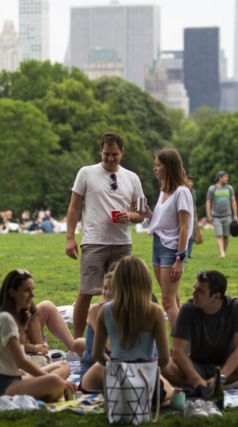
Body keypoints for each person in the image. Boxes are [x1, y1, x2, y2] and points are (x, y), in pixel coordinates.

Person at [65, 132, 145, 340]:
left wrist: (130, 215)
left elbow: (143, 214)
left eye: (115, 154)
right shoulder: (86, 173)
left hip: (122, 244)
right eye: (106, 154)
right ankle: (77, 343)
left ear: (122, 152)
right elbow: (74, 207)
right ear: (100, 151)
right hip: (93, 242)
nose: (110, 159)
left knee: (121, 294)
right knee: (86, 293)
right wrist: (70, 237)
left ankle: (115, 339)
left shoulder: (132, 178)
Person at [162, 270, 238, 393]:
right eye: (195, 288)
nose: (193, 293)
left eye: (200, 291)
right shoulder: (188, 309)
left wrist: (221, 377)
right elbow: (178, 351)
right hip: (194, 366)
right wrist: (195, 378)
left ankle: (212, 385)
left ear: (216, 297)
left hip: (228, 367)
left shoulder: (236, 308)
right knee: (162, 364)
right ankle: (211, 385)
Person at [81, 257, 173, 404]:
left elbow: (97, 355)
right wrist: (149, 370)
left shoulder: (105, 310)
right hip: (146, 380)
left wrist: (116, 369)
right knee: (172, 393)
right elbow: (165, 358)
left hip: (116, 384)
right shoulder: (155, 312)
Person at [0, 269, 77, 402]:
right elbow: (21, 362)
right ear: (12, 292)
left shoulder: (6, 315)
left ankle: (47, 392)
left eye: (32, 290)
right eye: (26, 290)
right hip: (0, 387)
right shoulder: (4, 318)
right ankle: (49, 393)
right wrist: (57, 381)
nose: (32, 295)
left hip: (14, 378)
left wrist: (23, 328)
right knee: (55, 382)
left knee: (62, 366)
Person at [142, 149, 192, 330]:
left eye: (158, 165)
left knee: (168, 301)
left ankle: (180, 347)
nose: (155, 169)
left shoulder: (182, 192)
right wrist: (149, 214)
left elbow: (184, 227)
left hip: (171, 249)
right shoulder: (164, 191)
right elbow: (165, 221)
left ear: (169, 167)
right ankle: (185, 343)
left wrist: (180, 258)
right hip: (157, 245)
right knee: (173, 298)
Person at [78, 270, 114, 390]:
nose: (107, 293)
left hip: (119, 366)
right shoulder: (96, 310)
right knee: (102, 367)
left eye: (112, 288)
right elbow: (110, 345)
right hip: (94, 368)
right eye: (105, 288)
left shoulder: (126, 312)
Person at [206, 171, 238, 258]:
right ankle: (222, 253)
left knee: (226, 236)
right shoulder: (212, 189)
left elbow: (233, 201)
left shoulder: (230, 188)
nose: (227, 178)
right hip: (216, 216)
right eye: (225, 177)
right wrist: (209, 215)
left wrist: (235, 215)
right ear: (220, 178)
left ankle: (223, 251)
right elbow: (208, 202)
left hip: (227, 215)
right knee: (219, 235)